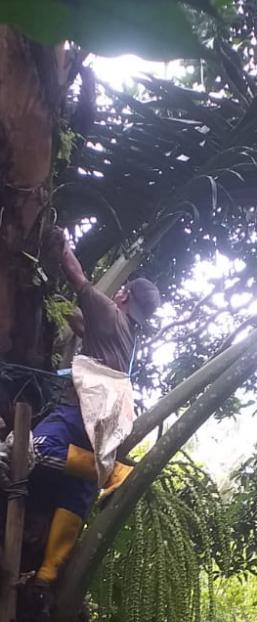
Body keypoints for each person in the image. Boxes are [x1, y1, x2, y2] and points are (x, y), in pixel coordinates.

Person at [1, 230, 160, 586]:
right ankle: (48, 571)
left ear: (123, 295)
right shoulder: (125, 335)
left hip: (81, 411)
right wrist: (53, 304)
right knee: (77, 492)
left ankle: (112, 472)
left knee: (32, 447)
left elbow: (78, 278)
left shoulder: (108, 311)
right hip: (108, 420)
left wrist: (60, 244)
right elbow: (82, 324)